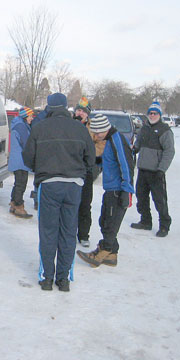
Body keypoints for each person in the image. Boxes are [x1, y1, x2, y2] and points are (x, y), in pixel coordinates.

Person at [22, 92, 95, 292]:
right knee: (68, 231)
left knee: (48, 231)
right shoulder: (79, 129)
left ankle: (47, 278)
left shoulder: (39, 128)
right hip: (73, 186)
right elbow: (91, 159)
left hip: (49, 184)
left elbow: (27, 158)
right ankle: (63, 280)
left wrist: (41, 168)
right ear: (66, 107)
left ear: (49, 107)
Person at [77, 114, 134, 267]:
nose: (96, 136)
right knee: (104, 220)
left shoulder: (117, 140)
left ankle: (102, 251)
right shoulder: (110, 140)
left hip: (118, 190)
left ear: (104, 129)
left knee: (110, 223)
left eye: (97, 133)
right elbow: (109, 160)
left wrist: (126, 190)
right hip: (110, 188)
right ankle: (112, 254)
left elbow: (126, 165)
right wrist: (95, 161)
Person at [130, 101, 175, 237]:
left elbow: (169, 152)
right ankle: (145, 221)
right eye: (150, 113)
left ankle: (164, 226)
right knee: (141, 196)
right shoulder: (144, 128)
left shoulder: (164, 130)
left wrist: (161, 169)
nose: (152, 115)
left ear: (159, 115)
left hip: (156, 172)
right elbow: (138, 144)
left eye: (155, 113)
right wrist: (134, 149)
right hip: (143, 170)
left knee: (160, 200)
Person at [72, 97, 107, 247]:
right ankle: (69, 232)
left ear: (87, 114)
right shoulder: (69, 125)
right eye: (78, 110)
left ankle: (84, 234)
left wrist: (89, 153)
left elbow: (101, 145)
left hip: (86, 170)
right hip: (71, 169)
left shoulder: (93, 128)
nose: (79, 113)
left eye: (82, 111)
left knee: (85, 204)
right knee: (70, 204)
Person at [8, 107, 34, 218]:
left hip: (17, 159)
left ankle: (13, 203)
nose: (32, 118)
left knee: (18, 183)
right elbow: (26, 144)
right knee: (21, 184)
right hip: (21, 160)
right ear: (25, 116)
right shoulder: (22, 127)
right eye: (30, 116)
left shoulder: (18, 124)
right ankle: (18, 206)